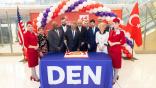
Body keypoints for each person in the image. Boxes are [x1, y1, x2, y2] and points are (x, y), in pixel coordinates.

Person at [108, 18, 126, 85]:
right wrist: (110, 42)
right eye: (114, 23)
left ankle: (114, 80)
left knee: (116, 66)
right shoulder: (112, 31)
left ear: (118, 24)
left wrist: (115, 43)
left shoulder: (121, 32)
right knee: (111, 65)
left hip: (117, 51)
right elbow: (109, 39)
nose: (115, 25)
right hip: (111, 51)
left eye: (116, 23)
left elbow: (123, 42)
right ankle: (113, 76)